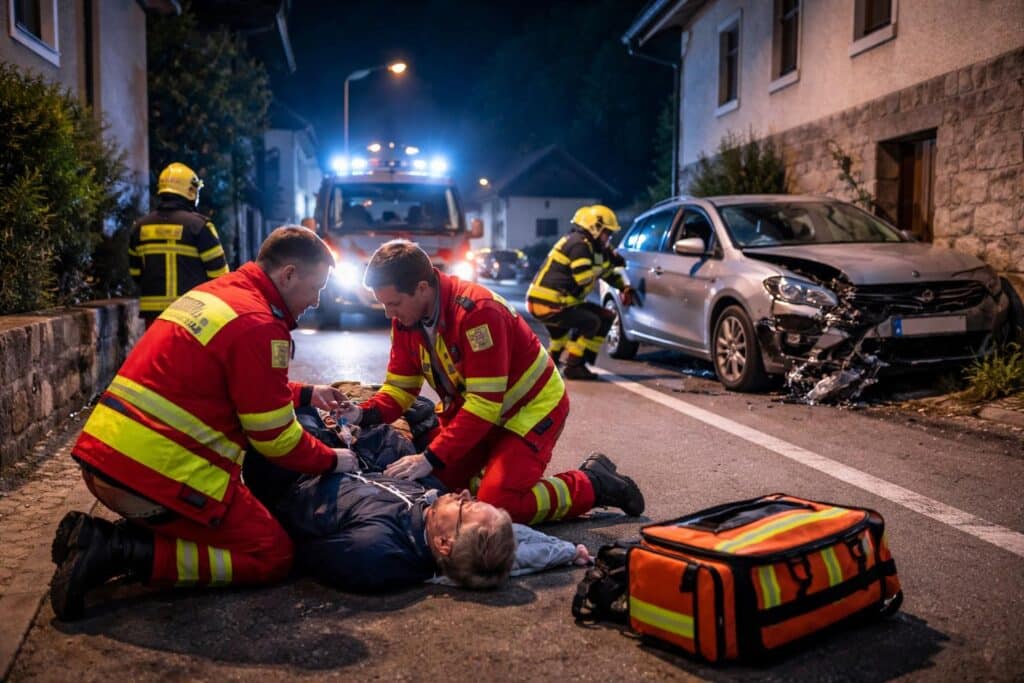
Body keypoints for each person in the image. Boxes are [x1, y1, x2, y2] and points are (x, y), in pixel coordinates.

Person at [49, 226, 359, 621]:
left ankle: (100, 539)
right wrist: (333, 460)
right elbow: (276, 440)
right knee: (272, 553)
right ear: (289, 275)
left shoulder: (218, 295)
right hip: (153, 478)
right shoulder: (260, 324)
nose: (316, 301)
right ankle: (116, 549)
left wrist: (304, 393)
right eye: (315, 288)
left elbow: (234, 380)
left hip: (106, 461)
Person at [340, 239, 645, 527]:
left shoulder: (477, 312)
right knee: (438, 486)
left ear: (422, 288)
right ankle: (491, 476)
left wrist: (429, 457)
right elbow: (400, 389)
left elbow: (485, 404)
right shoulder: (407, 320)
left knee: (497, 505)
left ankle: (592, 484)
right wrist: (361, 414)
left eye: (393, 303)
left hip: (530, 410)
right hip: (480, 413)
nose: (388, 313)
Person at [526, 205, 636, 380]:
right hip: (551, 303)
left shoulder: (589, 247)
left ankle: (548, 369)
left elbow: (604, 272)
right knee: (592, 322)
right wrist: (609, 262)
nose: (608, 238)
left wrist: (624, 287)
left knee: (567, 333)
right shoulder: (579, 245)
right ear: (595, 228)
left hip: (554, 303)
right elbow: (583, 277)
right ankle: (574, 365)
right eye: (607, 233)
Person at [129, 162, 230, 328]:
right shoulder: (199, 226)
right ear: (190, 191)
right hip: (191, 316)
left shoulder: (139, 227)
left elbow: (136, 273)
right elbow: (220, 276)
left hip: (154, 317)